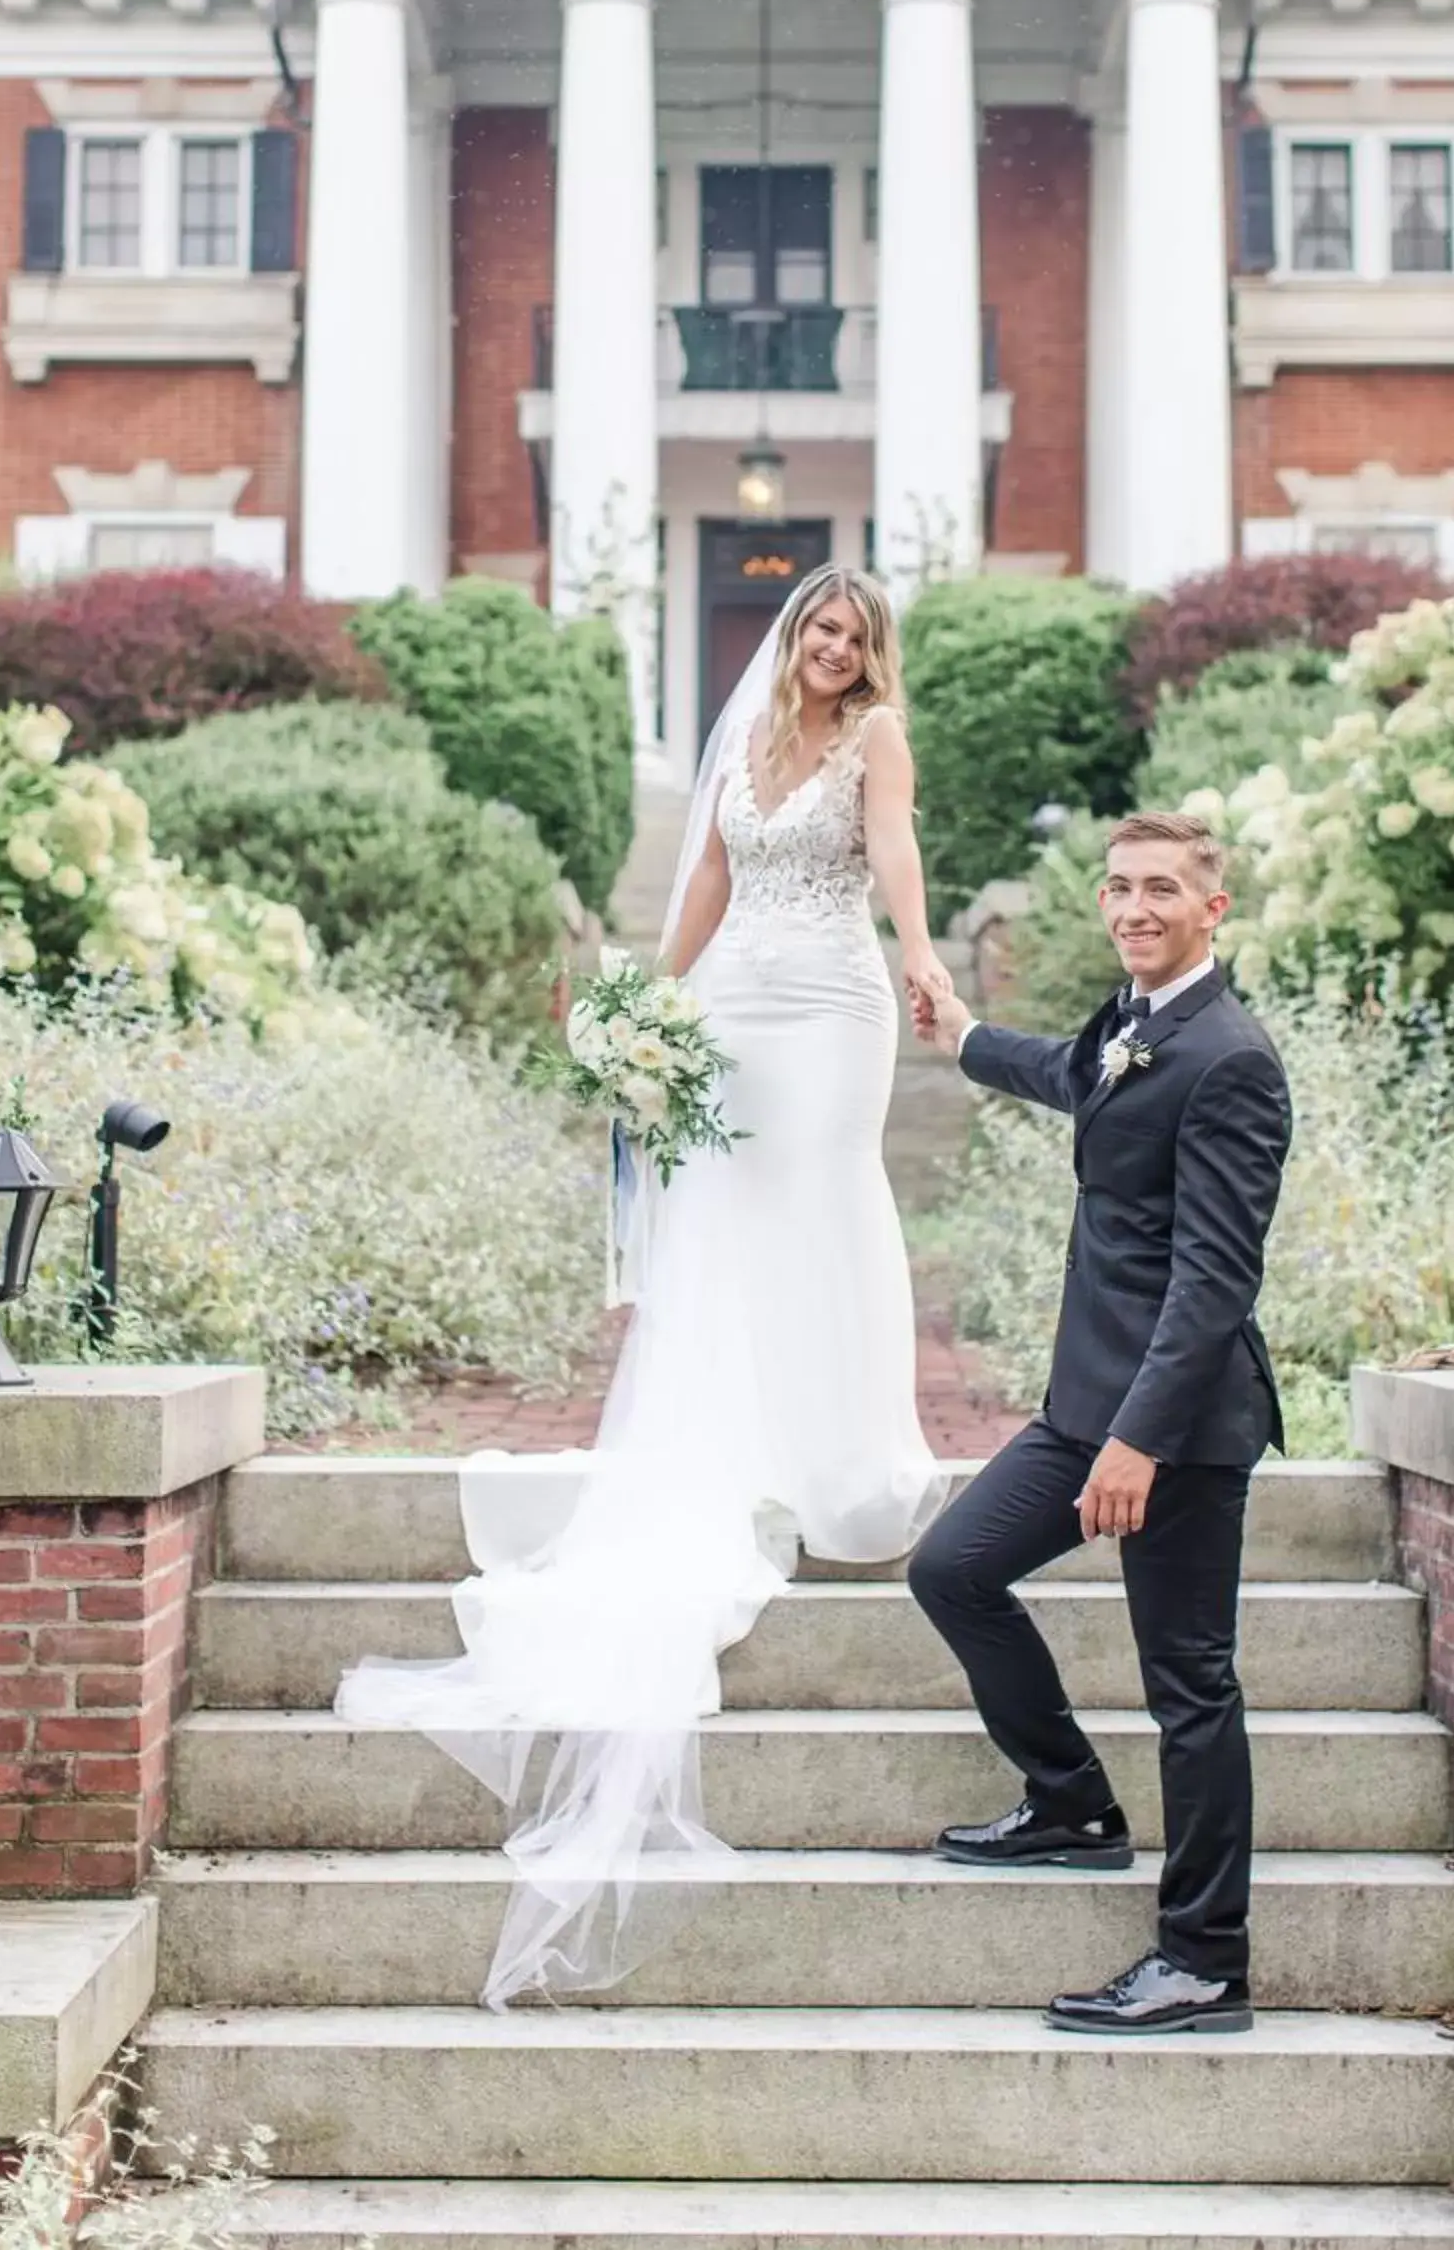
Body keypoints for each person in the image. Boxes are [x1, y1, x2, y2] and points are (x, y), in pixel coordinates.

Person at [335, 565, 951, 2005]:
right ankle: (737, 1445)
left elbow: (899, 853)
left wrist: (919, 956)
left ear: (871, 655)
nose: (832, 651)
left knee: (826, 1194)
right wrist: (648, 1000)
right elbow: (720, 875)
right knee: (726, 1218)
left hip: (835, 1008)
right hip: (735, 1003)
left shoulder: (876, 741)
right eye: (817, 630)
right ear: (793, 640)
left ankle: (843, 1450)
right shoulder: (745, 744)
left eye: (853, 636)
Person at [909, 812, 1290, 2038]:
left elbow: (1213, 1283)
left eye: (1160, 890)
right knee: (951, 1569)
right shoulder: (1132, 1025)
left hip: (1171, 1426)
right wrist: (963, 1039)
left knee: (1189, 1688)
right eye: (1118, 887)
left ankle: (1201, 1961)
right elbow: (1076, 1080)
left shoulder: (1229, 1058)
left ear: (1210, 909)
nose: (1133, 908)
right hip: (1088, 1405)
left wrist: (1137, 1440)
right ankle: (1069, 1802)